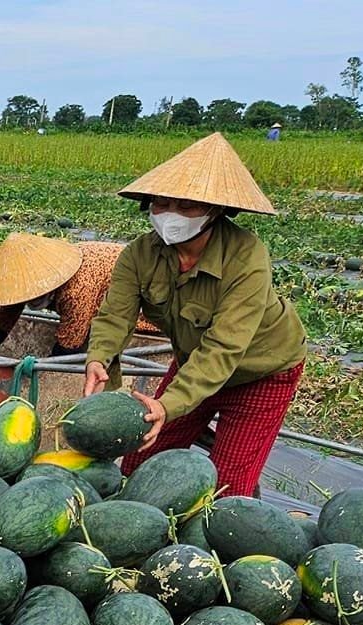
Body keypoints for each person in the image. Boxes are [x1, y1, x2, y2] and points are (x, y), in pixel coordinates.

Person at [83, 132, 307, 498]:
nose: (171, 214)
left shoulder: (246, 257)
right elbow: (114, 316)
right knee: (142, 461)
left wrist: (167, 404)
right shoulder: (139, 254)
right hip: (192, 364)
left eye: (186, 206)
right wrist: (99, 358)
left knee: (227, 488)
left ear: (215, 211)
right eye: (161, 203)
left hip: (261, 373)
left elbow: (223, 348)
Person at [0, 233, 156, 357]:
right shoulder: (25, 281)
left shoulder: (75, 290)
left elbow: (68, 345)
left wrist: (41, 378)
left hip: (144, 298)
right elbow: (2, 322)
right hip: (104, 287)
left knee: (95, 337)